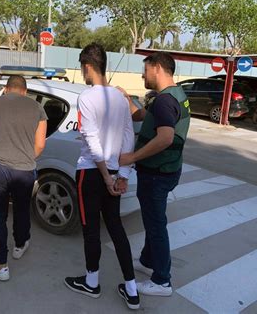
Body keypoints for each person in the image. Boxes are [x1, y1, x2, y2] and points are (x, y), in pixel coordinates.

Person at [64, 43, 140, 310]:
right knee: (116, 228)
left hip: (91, 172)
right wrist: (123, 174)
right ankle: (131, 289)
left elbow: (92, 140)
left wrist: (108, 176)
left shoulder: (86, 97)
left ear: (87, 67)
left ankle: (92, 282)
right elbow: (129, 136)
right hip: (114, 172)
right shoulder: (121, 97)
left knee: (91, 230)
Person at [119, 52, 190, 296]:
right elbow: (142, 116)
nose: (142, 74)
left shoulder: (163, 101)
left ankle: (162, 281)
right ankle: (148, 261)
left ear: (157, 68)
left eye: (145, 69)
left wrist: (131, 157)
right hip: (168, 169)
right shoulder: (174, 95)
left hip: (157, 173)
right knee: (153, 220)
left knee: (156, 225)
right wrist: (127, 99)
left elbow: (165, 137)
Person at [0, 75, 47, 281]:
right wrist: (25, 158)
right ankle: (20, 245)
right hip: (24, 169)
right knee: (21, 208)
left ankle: (1, 265)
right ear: (25, 91)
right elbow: (40, 144)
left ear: (6, 89)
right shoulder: (37, 109)